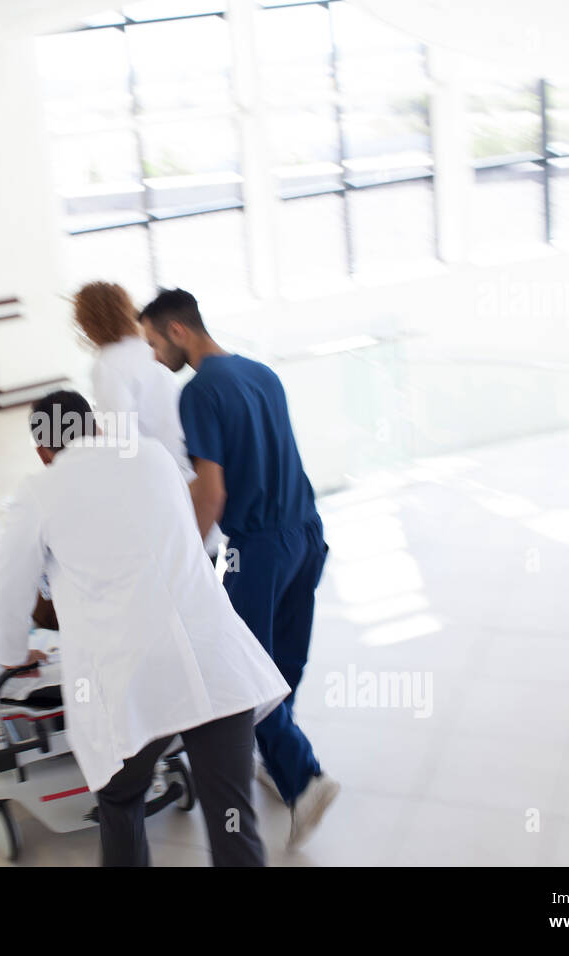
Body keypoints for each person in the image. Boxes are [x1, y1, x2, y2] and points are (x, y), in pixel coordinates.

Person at [0, 390, 289, 867]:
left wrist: (12, 653)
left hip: (135, 683)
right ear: (95, 428)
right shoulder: (151, 454)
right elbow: (193, 535)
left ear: (43, 451)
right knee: (233, 821)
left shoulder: (39, 491)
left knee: (120, 800)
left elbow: (9, 590)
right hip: (217, 661)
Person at [139, 288, 340, 851]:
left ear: (178, 330)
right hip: (307, 531)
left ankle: (304, 778)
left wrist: (187, 560)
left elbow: (214, 490)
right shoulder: (262, 372)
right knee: (283, 658)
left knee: (242, 674)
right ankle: (281, 765)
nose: (155, 357)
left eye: (155, 342)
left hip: (257, 550)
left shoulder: (198, 391)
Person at [73, 280, 223, 555]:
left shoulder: (107, 364)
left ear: (87, 323)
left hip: (164, 494)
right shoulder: (153, 347)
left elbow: (124, 445)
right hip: (198, 482)